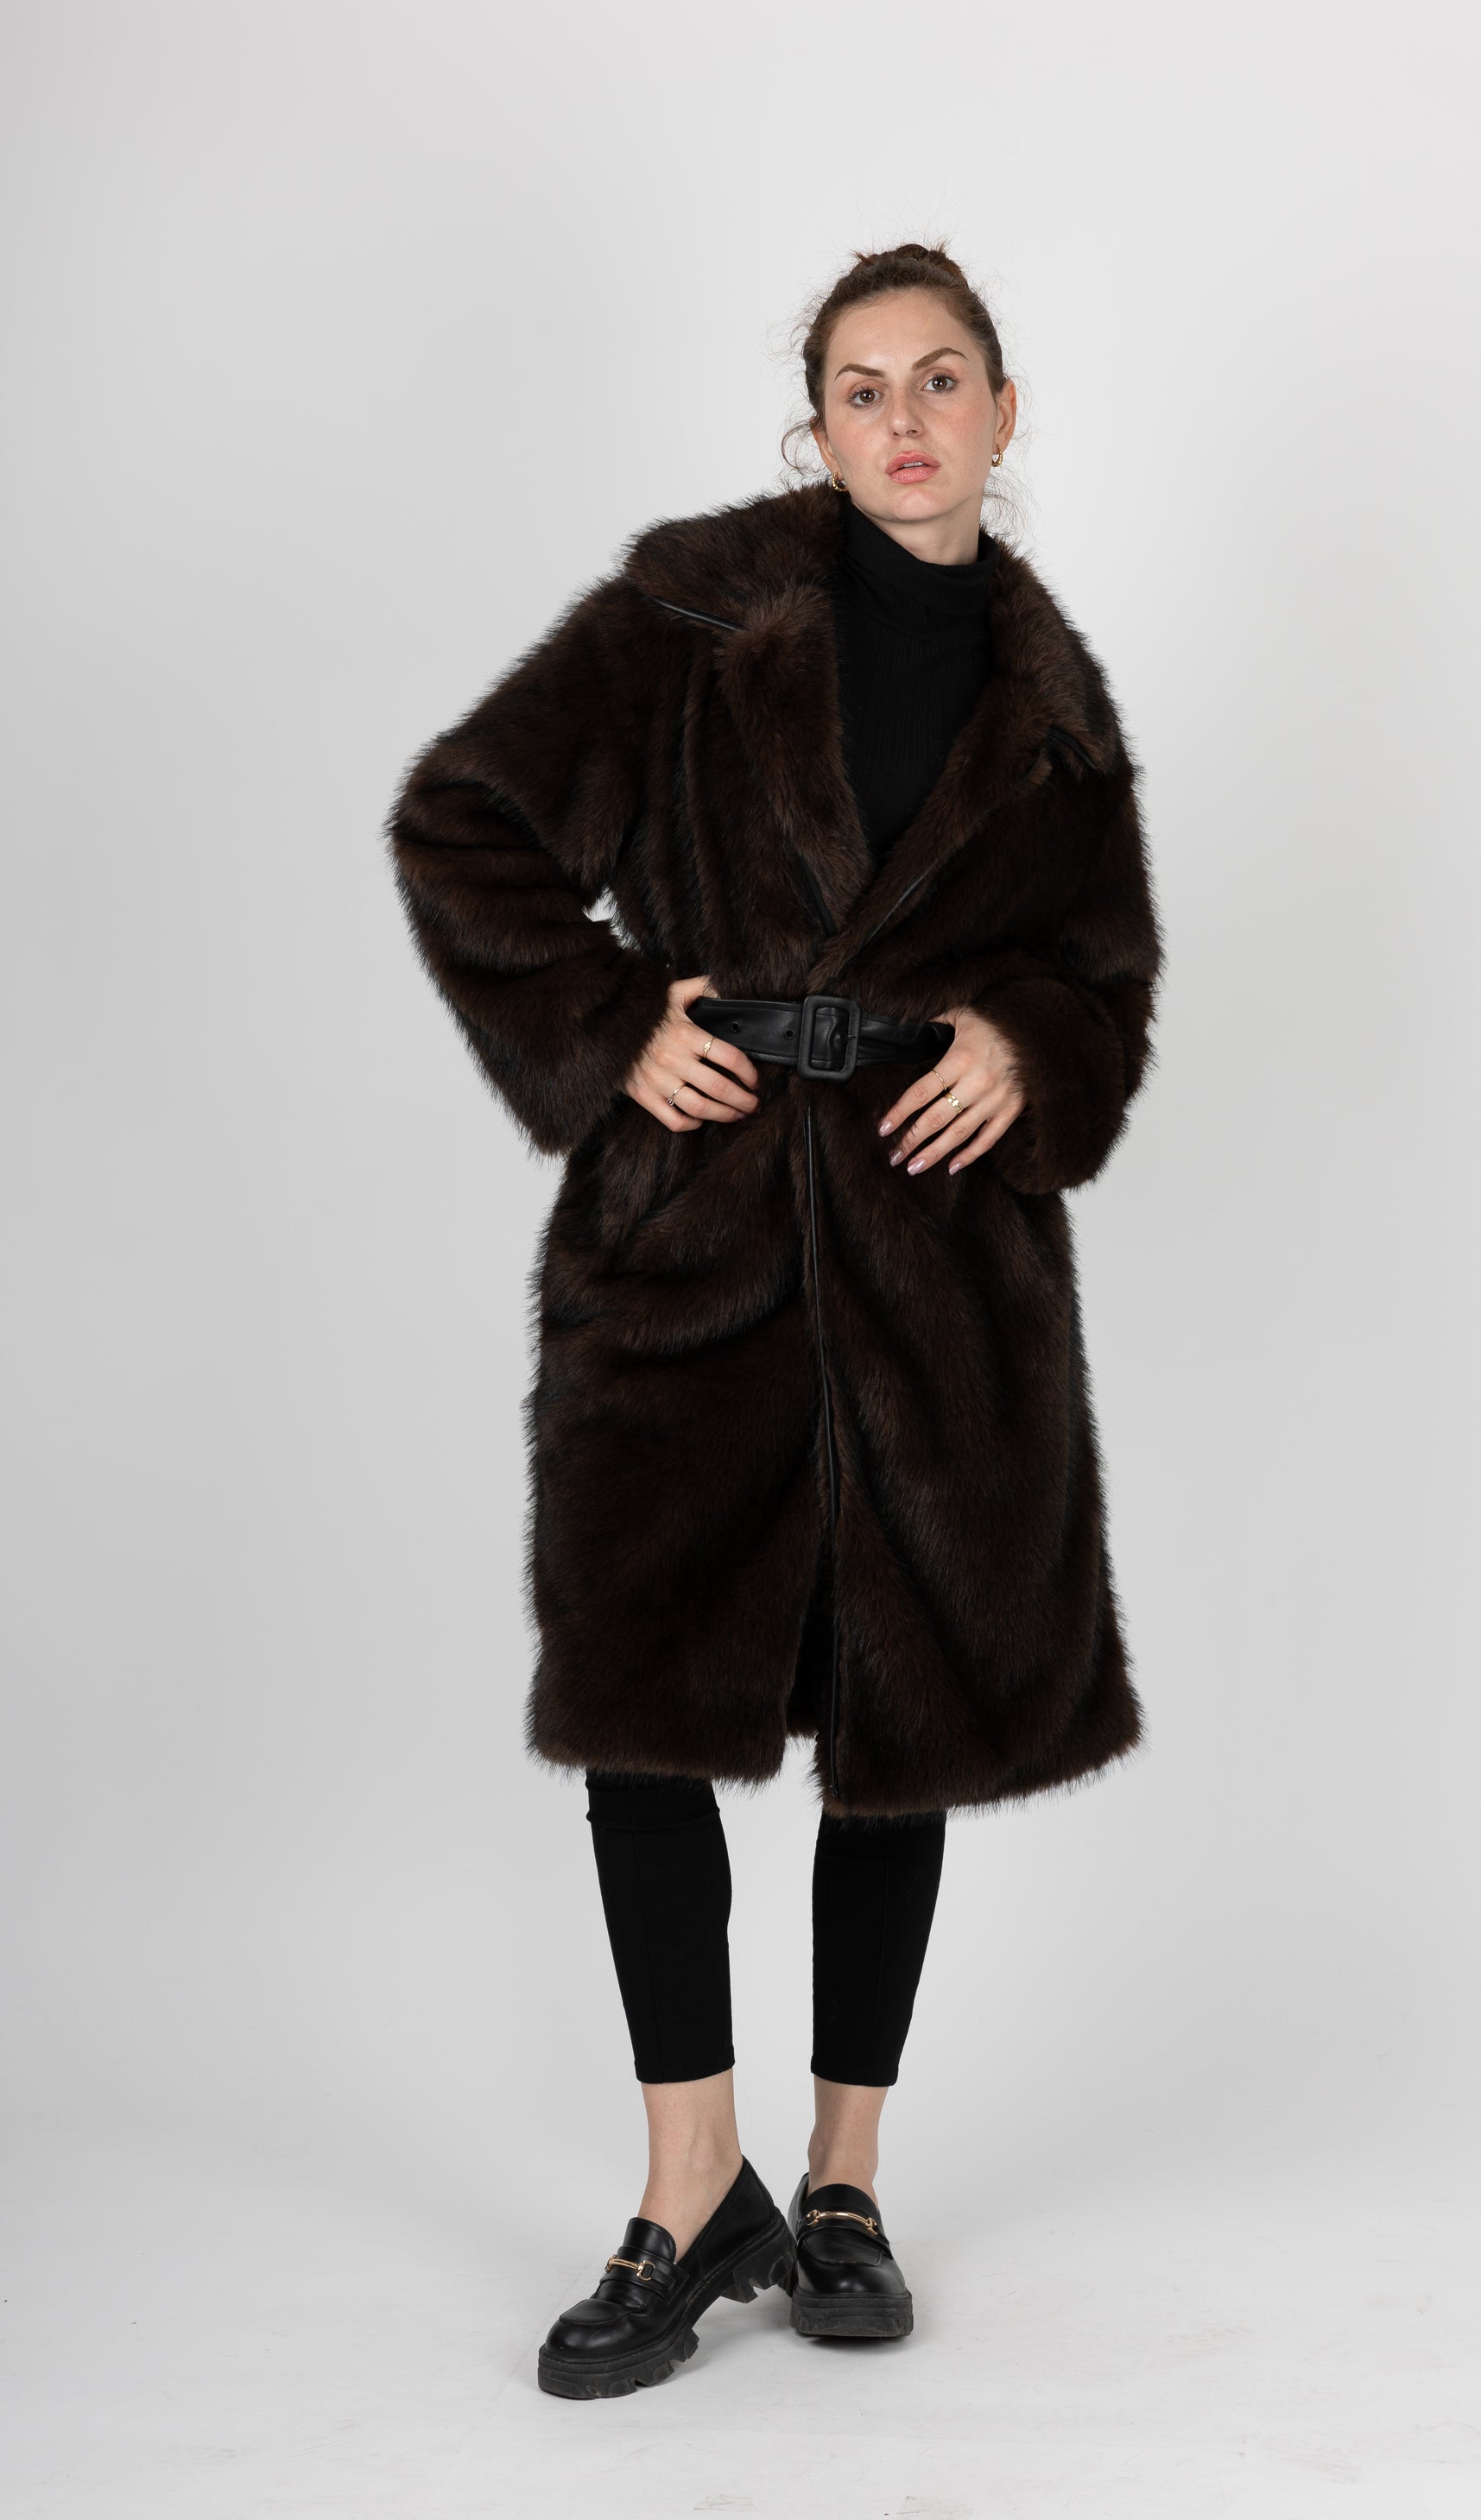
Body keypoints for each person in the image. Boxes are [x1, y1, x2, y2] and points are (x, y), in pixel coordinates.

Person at [388, 243, 1163, 2400]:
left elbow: (1103, 989)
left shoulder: (1056, 708)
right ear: (811, 427)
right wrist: (606, 1017)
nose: (903, 419)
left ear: (1005, 412)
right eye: (859, 387)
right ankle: (685, 2182)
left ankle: (841, 2181)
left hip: (936, 1264)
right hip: (693, 1241)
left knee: (898, 1713)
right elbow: (465, 820)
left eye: (941, 379)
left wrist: (1023, 1043)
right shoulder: (690, 616)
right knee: (648, 1703)